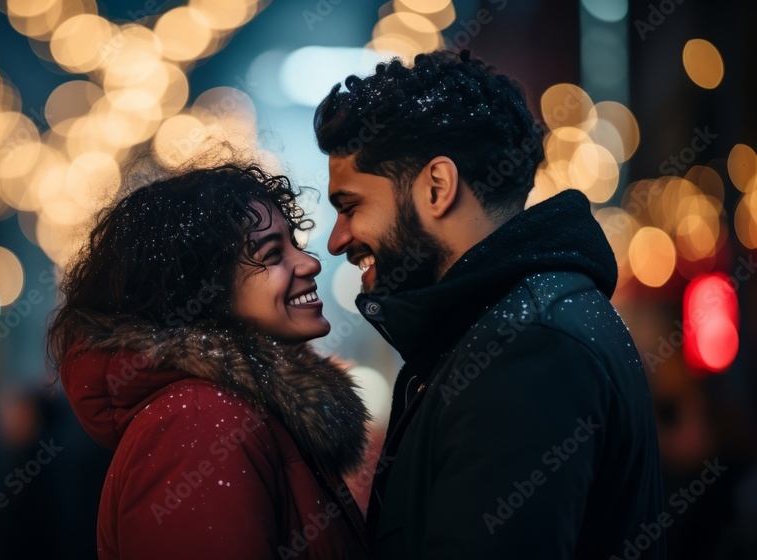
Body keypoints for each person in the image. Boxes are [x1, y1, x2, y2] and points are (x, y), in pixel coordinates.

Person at [314, 49, 666, 558]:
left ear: (437, 186)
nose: (337, 239)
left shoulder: (524, 346)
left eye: (350, 206)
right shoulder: (517, 324)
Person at [48, 164, 371, 559]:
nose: (309, 264)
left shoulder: (231, 407)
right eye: (273, 254)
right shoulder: (200, 419)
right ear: (204, 289)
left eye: (295, 244)